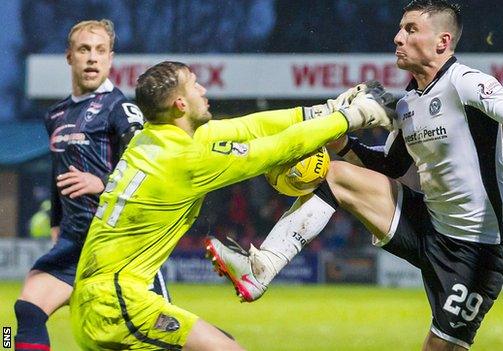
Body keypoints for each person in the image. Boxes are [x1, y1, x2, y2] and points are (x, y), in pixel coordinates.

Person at [208, 1, 503, 350]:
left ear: (442, 42)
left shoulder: (466, 83)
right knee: (338, 175)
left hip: (475, 249)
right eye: (400, 28)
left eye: (411, 29)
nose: (398, 37)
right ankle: (260, 269)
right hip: (427, 222)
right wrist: (343, 143)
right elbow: (394, 167)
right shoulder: (408, 102)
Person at [69, 60, 394, 350]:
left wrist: (319, 112)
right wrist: (351, 117)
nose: (203, 88)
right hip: (115, 305)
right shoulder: (185, 159)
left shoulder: (154, 138)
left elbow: (249, 127)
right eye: (195, 84)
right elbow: (276, 149)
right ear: (180, 103)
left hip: (99, 300)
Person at [13, 19, 169, 351]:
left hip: (118, 242)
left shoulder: (120, 109)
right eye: (84, 49)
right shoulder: (55, 114)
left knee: (158, 336)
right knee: (26, 311)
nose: (92, 58)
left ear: (111, 59)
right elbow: (59, 177)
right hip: (73, 243)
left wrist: (101, 183)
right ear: (69, 57)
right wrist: (57, 223)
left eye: (100, 51)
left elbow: (149, 172)